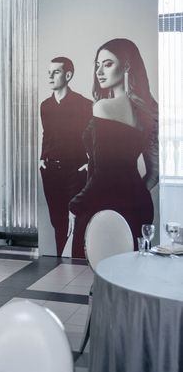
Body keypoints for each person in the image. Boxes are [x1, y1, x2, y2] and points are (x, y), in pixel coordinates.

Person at [70, 38, 159, 258]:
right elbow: (154, 172)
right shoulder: (146, 111)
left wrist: (75, 205)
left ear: (127, 66)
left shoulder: (103, 107)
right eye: (97, 65)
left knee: (98, 273)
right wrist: (132, 191)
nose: (99, 71)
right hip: (139, 205)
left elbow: (103, 174)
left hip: (103, 207)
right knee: (130, 270)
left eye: (107, 64)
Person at [40, 57, 92, 256]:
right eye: (49, 72)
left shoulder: (85, 104)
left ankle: (76, 262)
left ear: (68, 75)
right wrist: (42, 158)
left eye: (56, 72)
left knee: (76, 220)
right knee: (57, 221)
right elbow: (47, 135)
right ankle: (62, 264)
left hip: (75, 170)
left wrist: (91, 163)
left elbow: (96, 136)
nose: (51, 77)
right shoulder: (45, 105)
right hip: (51, 171)